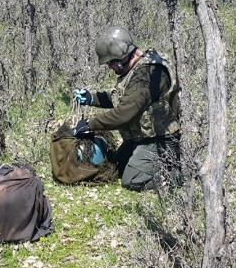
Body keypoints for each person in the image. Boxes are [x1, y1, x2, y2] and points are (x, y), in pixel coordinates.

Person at [72, 26, 182, 190]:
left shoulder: (149, 74)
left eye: (111, 63)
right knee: (117, 165)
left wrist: (90, 124)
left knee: (133, 180)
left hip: (161, 141)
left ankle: (180, 174)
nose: (110, 68)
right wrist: (91, 98)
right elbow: (123, 98)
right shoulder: (135, 70)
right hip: (142, 138)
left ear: (121, 58)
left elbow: (124, 113)